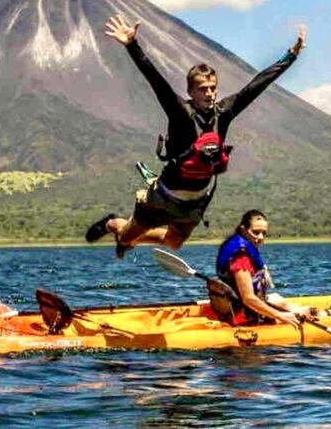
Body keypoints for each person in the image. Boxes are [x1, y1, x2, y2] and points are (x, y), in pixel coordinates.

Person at [85, 14, 306, 257]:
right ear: (190, 91)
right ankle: (113, 224)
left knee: (174, 243)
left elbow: (257, 85)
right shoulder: (180, 112)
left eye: (213, 88)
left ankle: (133, 238)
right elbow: (155, 80)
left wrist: (291, 56)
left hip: (197, 199)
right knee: (126, 235)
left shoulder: (225, 112)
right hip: (164, 195)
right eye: (202, 89)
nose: (210, 94)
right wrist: (132, 45)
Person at [213, 209, 310, 328]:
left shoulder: (237, 247)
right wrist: (279, 315)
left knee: (277, 299)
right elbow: (248, 299)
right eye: (256, 232)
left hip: (237, 307)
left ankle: (314, 312)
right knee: (293, 313)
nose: (260, 237)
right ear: (244, 230)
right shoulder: (241, 258)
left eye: (264, 233)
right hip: (244, 316)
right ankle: (317, 315)